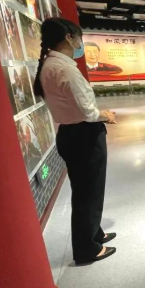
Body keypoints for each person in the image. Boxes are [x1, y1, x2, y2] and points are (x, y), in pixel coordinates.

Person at [34, 18, 117, 264]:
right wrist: (106, 115)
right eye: (79, 37)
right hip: (84, 136)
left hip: (72, 134)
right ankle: (86, 249)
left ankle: (94, 233)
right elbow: (87, 111)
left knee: (87, 190)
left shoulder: (51, 64)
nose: (81, 43)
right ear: (69, 37)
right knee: (87, 193)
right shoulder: (65, 69)